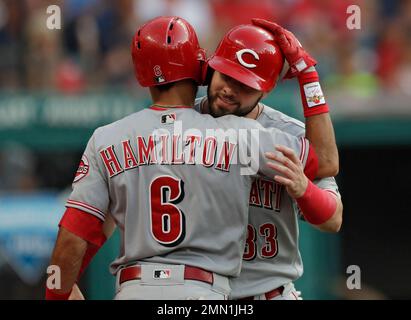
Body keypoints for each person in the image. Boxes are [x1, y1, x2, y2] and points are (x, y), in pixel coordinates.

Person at [45, 16, 320, 300]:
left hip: (133, 288)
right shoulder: (237, 132)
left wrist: (59, 293)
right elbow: (321, 161)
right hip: (203, 291)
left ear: (140, 75)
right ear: (201, 68)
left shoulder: (106, 138)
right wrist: (307, 73)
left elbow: (73, 237)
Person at [195, 20, 343, 300]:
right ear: (211, 69)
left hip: (268, 290)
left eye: (245, 85)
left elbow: (334, 219)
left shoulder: (289, 135)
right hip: (199, 296)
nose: (230, 90)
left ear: (266, 89)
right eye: (226, 76)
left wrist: (305, 190)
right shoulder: (182, 124)